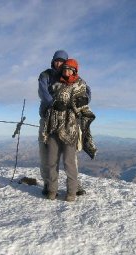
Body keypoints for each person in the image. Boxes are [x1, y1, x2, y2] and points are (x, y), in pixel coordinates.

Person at [41, 58, 96, 201]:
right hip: (54, 127)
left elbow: (83, 101)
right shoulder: (55, 83)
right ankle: (52, 191)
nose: (66, 71)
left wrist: (78, 102)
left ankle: (71, 192)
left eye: (69, 69)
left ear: (74, 70)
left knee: (69, 162)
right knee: (52, 161)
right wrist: (54, 104)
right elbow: (47, 97)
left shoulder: (80, 84)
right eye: (64, 68)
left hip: (70, 129)